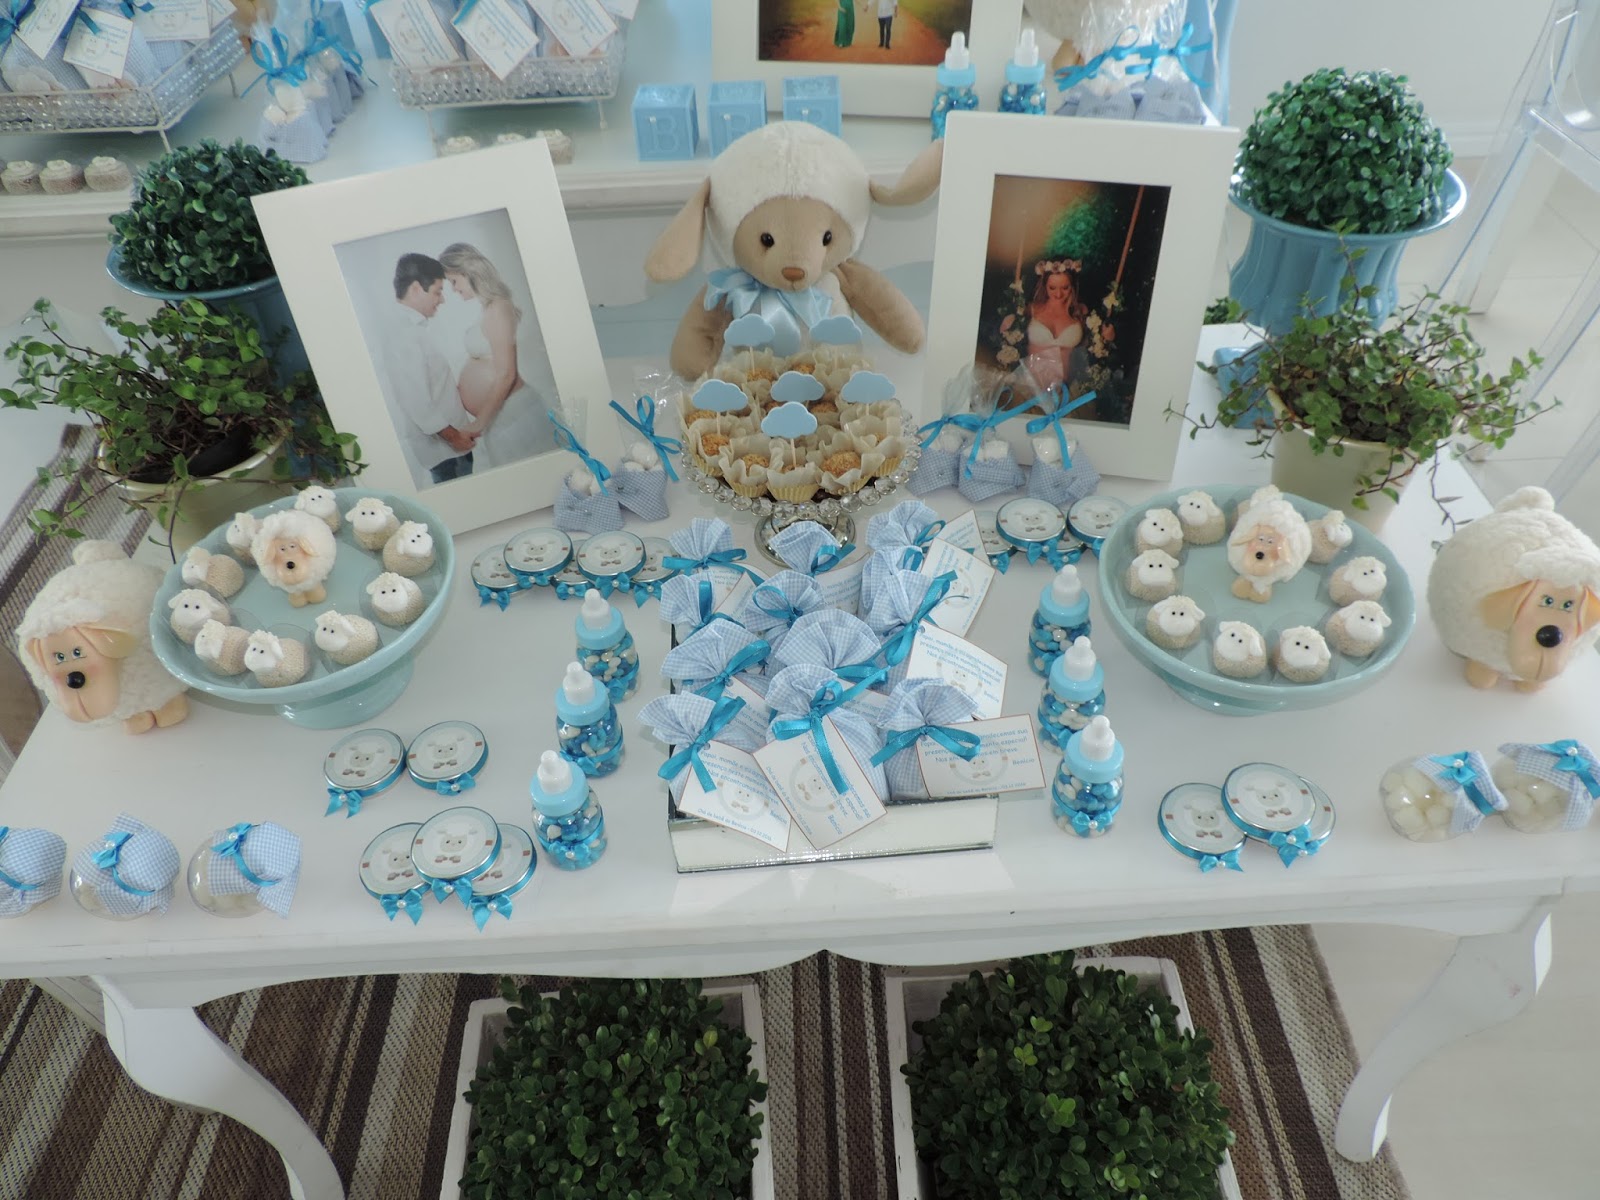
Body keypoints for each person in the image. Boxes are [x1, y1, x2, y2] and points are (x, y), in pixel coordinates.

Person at [437, 242, 551, 471]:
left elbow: (507, 374)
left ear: (468, 272)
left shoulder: (498, 307)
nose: (454, 289)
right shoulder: (489, 308)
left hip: (516, 413)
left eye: (454, 281)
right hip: (504, 416)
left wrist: (479, 423)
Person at [382, 253, 479, 486]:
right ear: (416, 288)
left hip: (452, 447)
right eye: (437, 291)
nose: (442, 300)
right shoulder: (403, 335)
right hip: (446, 451)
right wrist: (455, 438)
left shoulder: (414, 330)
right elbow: (415, 400)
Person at [1026, 260, 1087, 394]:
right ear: (1044, 286)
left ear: (1072, 286)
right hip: (1029, 388)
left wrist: (1106, 336)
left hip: (1067, 390)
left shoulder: (1080, 312)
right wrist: (1010, 319)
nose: (1058, 294)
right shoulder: (1031, 310)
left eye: (1065, 288)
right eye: (1052, 288)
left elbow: (1089, 347)